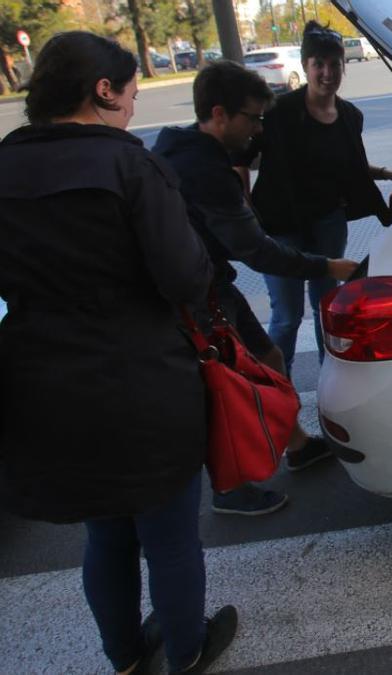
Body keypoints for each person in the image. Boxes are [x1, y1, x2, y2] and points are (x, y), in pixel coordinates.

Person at [0, 32, 237, 674]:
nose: (134, 105)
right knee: (169, 536)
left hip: (43, 384)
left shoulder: (5, 164)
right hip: (141, 380)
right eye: (131, 91)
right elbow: (186, 279)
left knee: (104, 532)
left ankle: (125, 658)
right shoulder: (129, 164)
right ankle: (188, 650)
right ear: (101, 91)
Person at [152, 61, 359, 515]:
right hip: (195, 295)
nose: (259, 129)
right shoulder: (205, 170)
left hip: (206, 284)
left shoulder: (180, 149)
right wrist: (329, 266)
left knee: (265, 359)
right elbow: (255, 250)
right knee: (225, 385)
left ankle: (298, 445)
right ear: (220, 114)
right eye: (253, 118)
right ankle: (230, 487)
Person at [236, 22, 392, 376]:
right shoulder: (278, 112)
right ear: (305, 66)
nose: (327, 73)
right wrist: (245, 206)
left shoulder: (350, 116)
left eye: (334, 64)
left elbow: (350, 162)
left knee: (326, 309)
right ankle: (275, 386)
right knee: (286, 317)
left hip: (328, 223)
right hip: (281, 225)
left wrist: (385, 173)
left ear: (343, 67)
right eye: (319, 64)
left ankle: (329, 379)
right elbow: (241, 156)